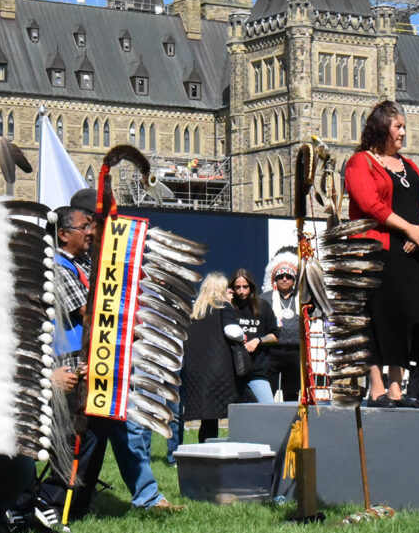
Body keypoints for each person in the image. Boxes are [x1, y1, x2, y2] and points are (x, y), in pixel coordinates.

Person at [51, 206, 179, 514]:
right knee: (94, 435)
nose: (90, 233)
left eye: (91, 226)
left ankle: (88, 501)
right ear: (64, 234)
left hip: (101, 359)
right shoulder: (58, 267)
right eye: (84, 227)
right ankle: (65, 502)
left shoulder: (82, 263)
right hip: (75, 366)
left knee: (109, 430)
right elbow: (89, 310)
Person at [345, 99, 419, 404]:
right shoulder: (360, 162)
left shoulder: (408, 165)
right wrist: (409, 229)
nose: (403, 133)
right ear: (382, 127)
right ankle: (376, 386)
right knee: (375, 319)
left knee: (405, 319)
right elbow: (370, 204)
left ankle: (396, 386)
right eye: (398, 126)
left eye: (404, 127)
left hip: (410, 255)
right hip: (377, 253)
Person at [181, 273, 241, 441]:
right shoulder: (223, 307)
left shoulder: (194, 312)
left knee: (207, 419)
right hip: (220, 370)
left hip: (196, 372)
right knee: (243, 406)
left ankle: (205, 449)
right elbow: (232, 332)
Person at [228, 268, 277, 403]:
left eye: (245, 287)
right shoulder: (228, 308)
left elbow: (275, 335)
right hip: (232, 372)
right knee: (234, 412)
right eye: (237, 287)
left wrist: (258, 340)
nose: (241, 291)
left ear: (251, 287)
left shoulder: (262, 306)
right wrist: (226, 302)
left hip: (257, 372)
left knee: (267, 408)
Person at [262, 250, 301, 400]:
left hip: (295, 352)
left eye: (289, 276)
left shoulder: (302, 298)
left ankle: (291, 417)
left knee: (292, 395)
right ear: (275, 279)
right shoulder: (264, 299)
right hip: (271, 352)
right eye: (280, 276)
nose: (284, 279)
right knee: (267, 393)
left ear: (294, 280)